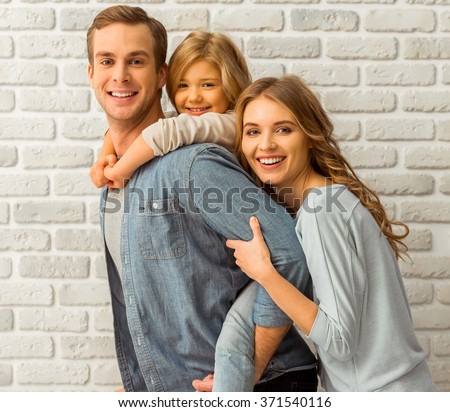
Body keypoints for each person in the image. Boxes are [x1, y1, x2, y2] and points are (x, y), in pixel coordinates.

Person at [87, 5, 317, 391]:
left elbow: (289, 253)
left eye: (137, 61)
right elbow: (146, 301)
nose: (120, 75)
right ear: (91, 73)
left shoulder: (194, 164)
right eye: (107, 60)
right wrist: (143, 384)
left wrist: (248, 367)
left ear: (160, 74)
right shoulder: (116, 178)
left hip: (258, 386)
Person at [213, 75, 436, 391]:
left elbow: (341, 340)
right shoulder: (327, 202)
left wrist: (265, 273)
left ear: (309, 136)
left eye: (283, 129)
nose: (265, 144)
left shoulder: (322, 210)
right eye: (253, 131)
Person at [90, 29, 247, 189]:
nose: (193, 97)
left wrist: (120, 171)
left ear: (231, 85)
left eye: (208, 85)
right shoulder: (185, 125)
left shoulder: (237, 124)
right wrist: (104, 158)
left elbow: (166, 131)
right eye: (183, 85)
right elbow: (156, 128)